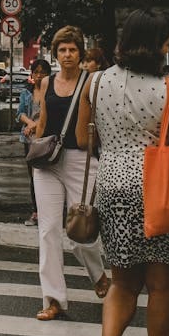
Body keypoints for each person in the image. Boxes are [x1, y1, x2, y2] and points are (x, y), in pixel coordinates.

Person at [78, 10, 169, 336]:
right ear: (158, 45)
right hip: (155, 188)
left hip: (112, 186)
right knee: (160, 285)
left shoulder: (95, 81)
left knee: (122, 281)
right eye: (166, 41)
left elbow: (81, 136)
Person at [31, 26, 108, 321]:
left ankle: (98, 275)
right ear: (55, 53)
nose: (67, 55)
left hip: (81, 161)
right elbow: (43, 121)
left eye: (72, 50)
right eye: (62, 50)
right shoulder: (47, 82)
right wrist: (35, 151)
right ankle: (53, 300)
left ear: (81, 52)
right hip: (48, 162)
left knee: (80, 230)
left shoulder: (91, 82)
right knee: (49, 231)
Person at [17, 58, 51, 227]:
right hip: (29, 140)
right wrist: (29, 123)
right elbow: (20, 113)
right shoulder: (26, 92)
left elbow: (50, 114)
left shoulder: (51, 92)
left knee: (48, 175)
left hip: (46, 139)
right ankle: (36, 211)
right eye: (36, 72)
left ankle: (48, 211)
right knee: (33, 177)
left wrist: (35, 125)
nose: (39, 76)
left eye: (42, 72)